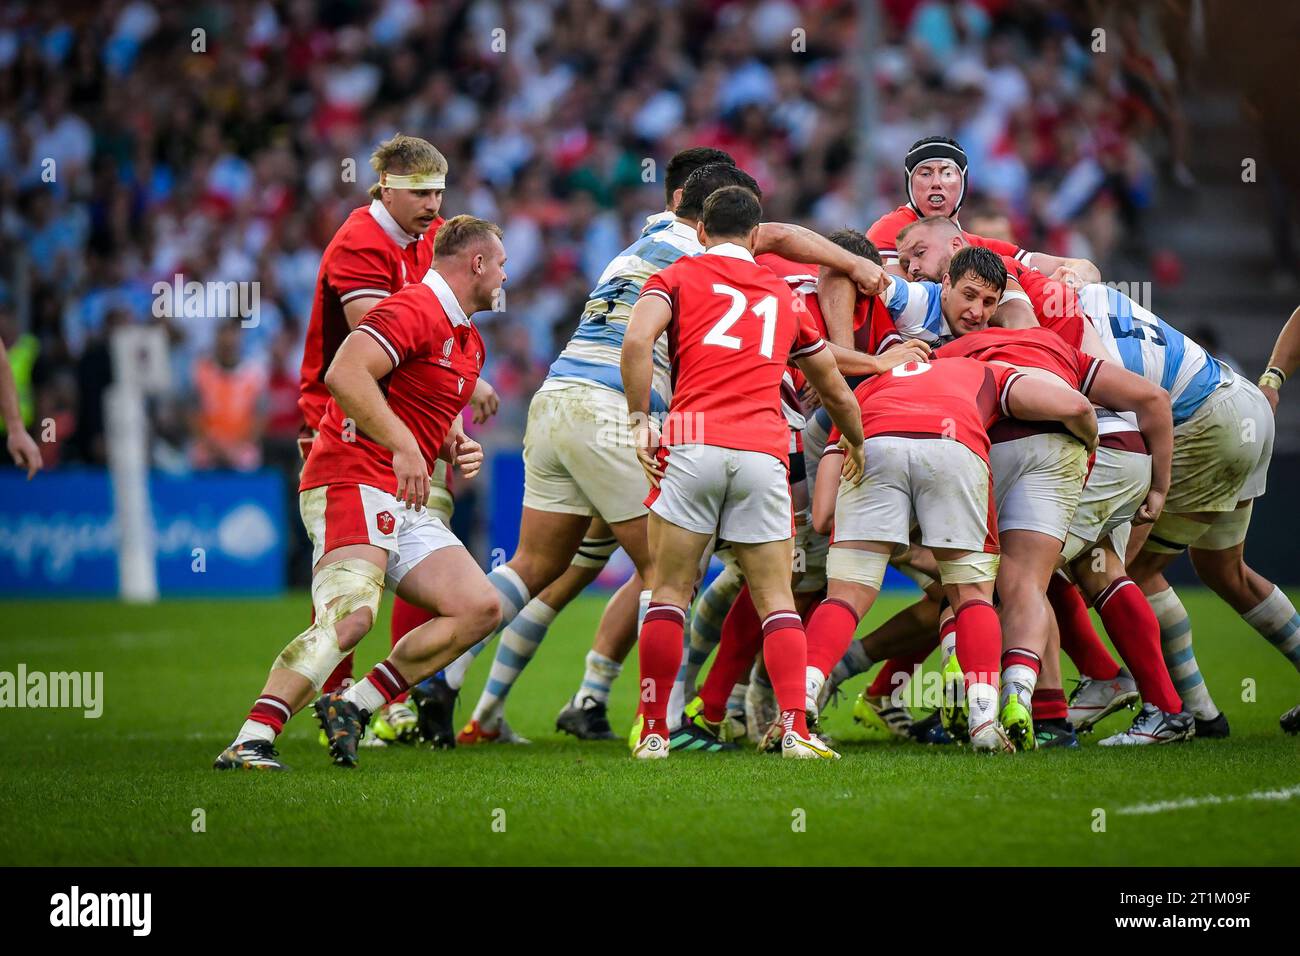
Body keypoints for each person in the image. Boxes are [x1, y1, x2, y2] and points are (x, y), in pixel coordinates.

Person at [213, 216, 505, 771]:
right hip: (350, 474)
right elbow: (345, 374)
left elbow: (415, 410)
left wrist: (453, 446)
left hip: (399, 489)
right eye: (501, 264)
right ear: (476, 264)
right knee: (353, 615)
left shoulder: (467, 338)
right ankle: (251, 739)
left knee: (480, 607)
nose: (505, 276)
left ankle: (355, 704)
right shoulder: (413, 306)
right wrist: (404, 446)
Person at [624, 185, 866, 759]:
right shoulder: (783, 293)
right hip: (762, 452)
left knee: (669, 594)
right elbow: (831, 383)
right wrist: (855, 441)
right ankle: (797, 732)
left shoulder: (678, 275)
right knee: (776, 599)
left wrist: (639, 420)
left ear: (702, 231)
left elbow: (636, 339)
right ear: (757, 236)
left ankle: (655, 731)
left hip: (691, 444)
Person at [808, 353, 1097, 753]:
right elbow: (1075, 406)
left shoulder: (866, 387)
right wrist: (1091, 440)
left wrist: (895, 543)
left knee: (844, 596)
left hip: (872, 442)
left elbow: (822, 517)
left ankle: (799, 706)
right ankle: (982, 720)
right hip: (953, 445)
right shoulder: (987, 370)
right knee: (972, 595)